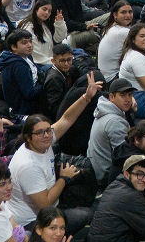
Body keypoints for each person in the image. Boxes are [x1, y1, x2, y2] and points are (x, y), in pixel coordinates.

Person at [6, 72, 101, 233]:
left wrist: (86, 97)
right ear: (28, 137)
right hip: (35, 221)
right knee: (88, 214)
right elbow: (46, 204)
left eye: (48, 131)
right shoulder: (28, 165)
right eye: (40, 133)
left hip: (51, 197)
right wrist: (64, 178)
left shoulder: (44, 141)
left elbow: (66, 119)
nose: (47, 135)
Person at [87, 76, 137, 182]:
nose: (128, 99)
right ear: (111, 97)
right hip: (105, 177)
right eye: (122, 95)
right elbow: (126, 157)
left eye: (130, 95)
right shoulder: (115, 122)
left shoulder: (105, 110)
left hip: (96, 171)